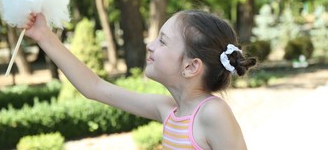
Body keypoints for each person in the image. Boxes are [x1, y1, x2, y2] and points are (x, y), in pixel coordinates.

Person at [24, 9, 256, 149]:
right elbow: (95, 87)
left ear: (191, 66)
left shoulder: (212, 112)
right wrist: (44, 36)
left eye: (162, 41)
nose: (150, 45)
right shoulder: (170, 110)